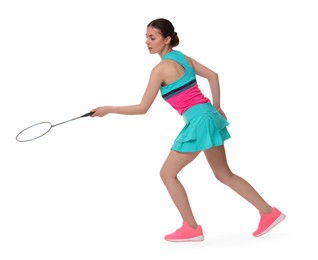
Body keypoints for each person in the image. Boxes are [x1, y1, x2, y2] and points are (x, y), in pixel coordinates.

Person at [90, 18, 286, 242]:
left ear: (166, 39)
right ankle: (269, 213)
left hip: (199, 122)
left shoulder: (160, 69)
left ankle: (191, 228)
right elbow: (213, 75)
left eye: (152, 38)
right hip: (208, 117)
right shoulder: (183, 58)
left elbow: (143, 108)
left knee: (167, 173)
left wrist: (109, 109)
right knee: (224, 174)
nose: (147, 42)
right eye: (146, 37)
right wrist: (217, 106)